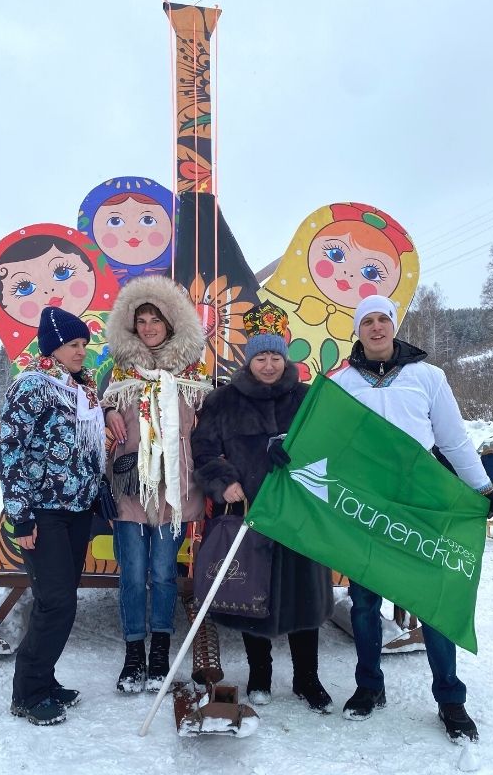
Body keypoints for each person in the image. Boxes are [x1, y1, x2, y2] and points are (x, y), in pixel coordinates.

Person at [327, 296, 491, 742]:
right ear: (357, 330)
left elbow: (454, 440)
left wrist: (482, 488)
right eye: (368, 321)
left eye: (383, 320)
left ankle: (451, 700)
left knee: (431, 602)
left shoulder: (427, 376)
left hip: (418, 505)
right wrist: (285, 445)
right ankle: (368, 688)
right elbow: (322, 438)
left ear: (394, 326)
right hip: (366, 505)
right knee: (364, 604)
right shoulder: (340, 382)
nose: (376, 328)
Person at [190, 304, 333, 714]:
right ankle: (260, 674)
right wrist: (225, 481)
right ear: (248, 359)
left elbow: (328, 448)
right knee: (255, 594)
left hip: (300, 514)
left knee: (305, 598)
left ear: (285, 358)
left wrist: (303, 459)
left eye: (275, 356)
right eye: (260, 357)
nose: (268, 365)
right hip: (250, 514)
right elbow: (204, 450)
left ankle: (308, 678)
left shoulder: (308, 399)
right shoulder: (222, 401)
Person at [100, 276, 210, 693]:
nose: (147, 327)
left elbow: (208, 426)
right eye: (141, 320)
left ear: (171, 323)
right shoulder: (120, 373)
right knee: (131, 573)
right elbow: (99, 416)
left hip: (174, 491)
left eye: (155, 320)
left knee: (164, 573)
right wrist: (107, 411)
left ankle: (160, 649)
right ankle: (133, 654)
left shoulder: (194, 371)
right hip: (131, 486)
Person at [0, 306, 107, 725]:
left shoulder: (81, 388)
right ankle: (27, 693)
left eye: (84, 344)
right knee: (54, 602)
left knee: (61, 601)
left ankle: (44, 679)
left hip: (76, 510)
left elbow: (87, 449)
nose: (82, 352)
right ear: (53, 348)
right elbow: (10, 454)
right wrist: (20, 517)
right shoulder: (32, 387)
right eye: (74, 345)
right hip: (43, 512)